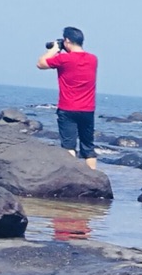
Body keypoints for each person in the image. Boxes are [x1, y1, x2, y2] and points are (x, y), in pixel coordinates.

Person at [36, 27, 98, 169]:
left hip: (68, 108)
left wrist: (53, 49)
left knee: (68, 146)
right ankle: (93, 175)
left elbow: (40, 64)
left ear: (67, 40)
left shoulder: (63, 59)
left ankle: (72, 173)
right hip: (87, 109)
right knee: (88, 148)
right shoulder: (93, 59)